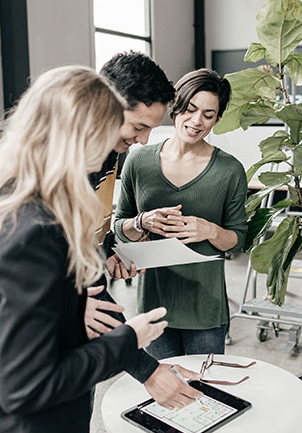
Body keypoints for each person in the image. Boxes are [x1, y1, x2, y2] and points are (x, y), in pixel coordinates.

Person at [0, 66, 168, 432]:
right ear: (81, 138)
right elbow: (28, 387)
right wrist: (128, 339)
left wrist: (59, 306)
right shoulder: (39, 232)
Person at [83, 51, 203, 407]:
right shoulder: (65, 170)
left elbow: (92, 230)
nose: (145, 140)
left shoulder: (109, 154)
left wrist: (107, 254)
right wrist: (146, 369)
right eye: (138, 127)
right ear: (103, 107)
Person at [113, 68, 248, 358]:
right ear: (175, 107)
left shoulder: (229, 170)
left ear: (218, 119)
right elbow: (117, 226)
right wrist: (142, 221)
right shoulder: (138, 160)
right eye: (190, 109)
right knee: (157, 396)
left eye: (208, 115)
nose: (197, 121)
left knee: (206, 394)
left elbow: (238, 240)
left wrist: (209, 230)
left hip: (206, 310)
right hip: (154, 305)